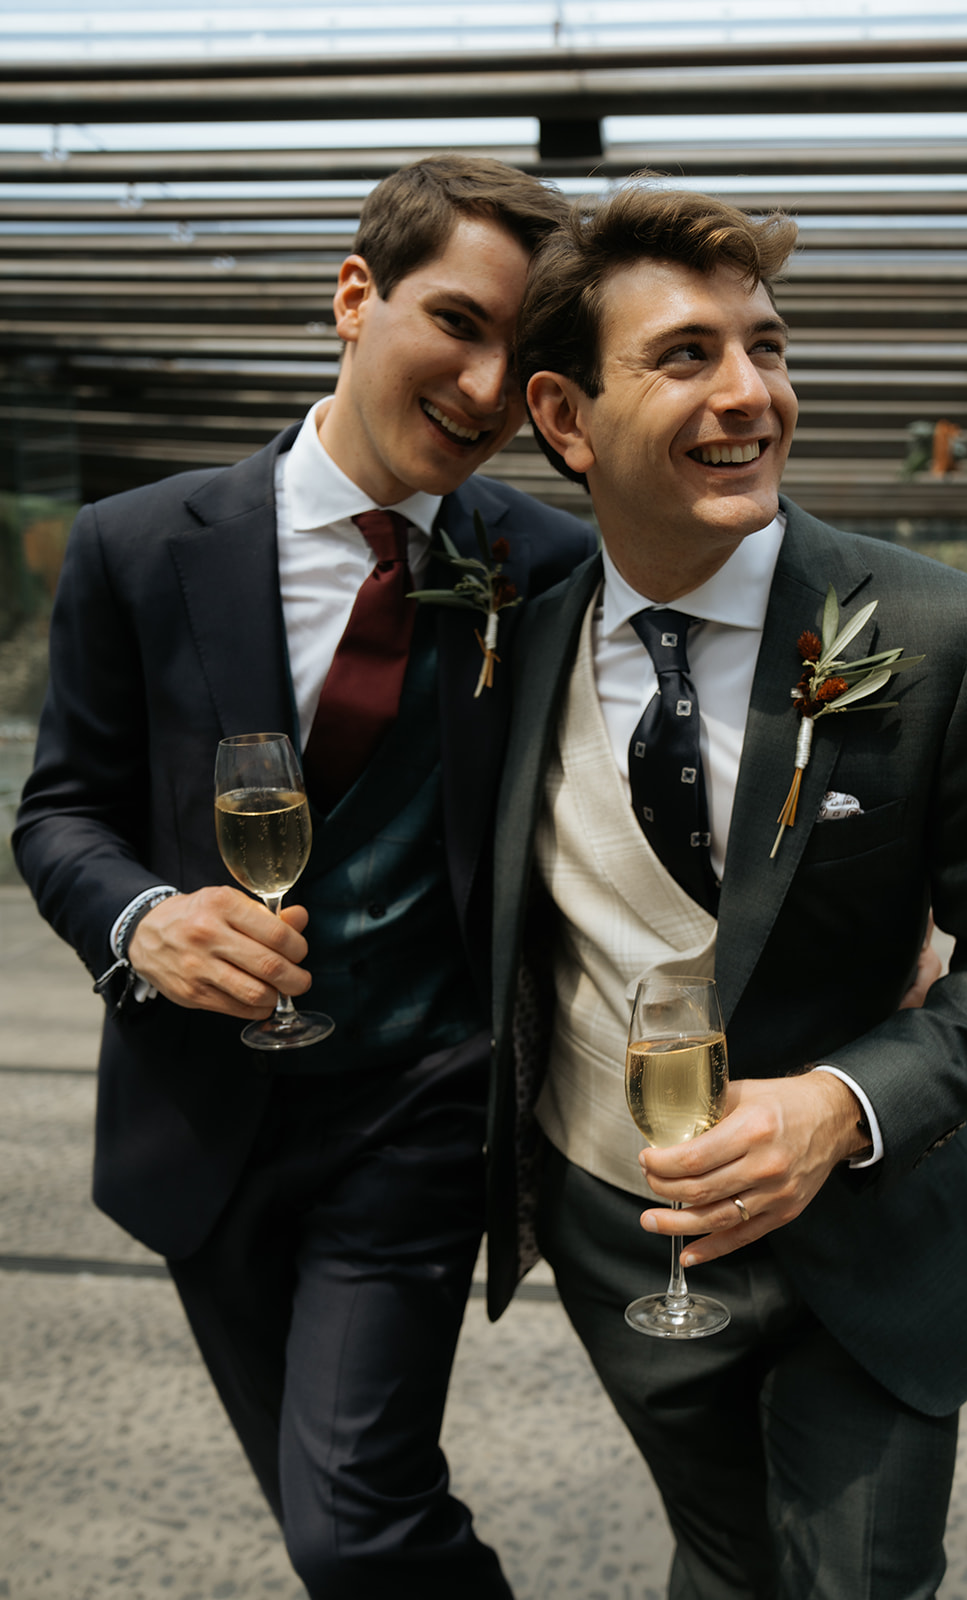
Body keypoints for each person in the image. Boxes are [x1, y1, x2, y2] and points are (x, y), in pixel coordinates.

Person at [14, 155, 595, 1599]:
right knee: (326, 1507)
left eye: (524, 353)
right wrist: (143, 921)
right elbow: (62, 811)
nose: (484, 381)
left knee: (353, 1521)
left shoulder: (552, 569)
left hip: (418, 1116)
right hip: (197, 1122)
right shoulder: (137, 546)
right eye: (457, 321)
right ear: (355, 297)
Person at [485, 185, 967, 1598]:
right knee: (727, 1553)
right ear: (565, 419)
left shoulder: (941, 636)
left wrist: (840, 1105)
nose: (751, 393)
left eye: (768, 346)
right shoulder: (501, 649)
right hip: (618, 1235)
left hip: (869, 1241)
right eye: (686, 355)